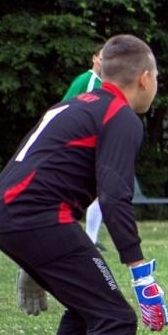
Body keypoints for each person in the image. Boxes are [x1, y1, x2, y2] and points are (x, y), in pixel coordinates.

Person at [0, 34, 168, 335]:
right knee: (115, 318)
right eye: (157, 76)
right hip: (38, 217)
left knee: (88, 306)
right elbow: (114, 197)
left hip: (8, 212)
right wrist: (141, 273)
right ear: (144, 78)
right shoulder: (121, 116)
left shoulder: (72, 104)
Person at [63, 47, 107, 247]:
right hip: (78, 144)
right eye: (102, 57)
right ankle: (81, 238)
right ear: (94, 58)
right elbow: (67, 108)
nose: (104, 61)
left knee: (98, 190)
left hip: (92, 145)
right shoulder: (89, 81)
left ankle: (91, 239)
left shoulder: (106, 85)